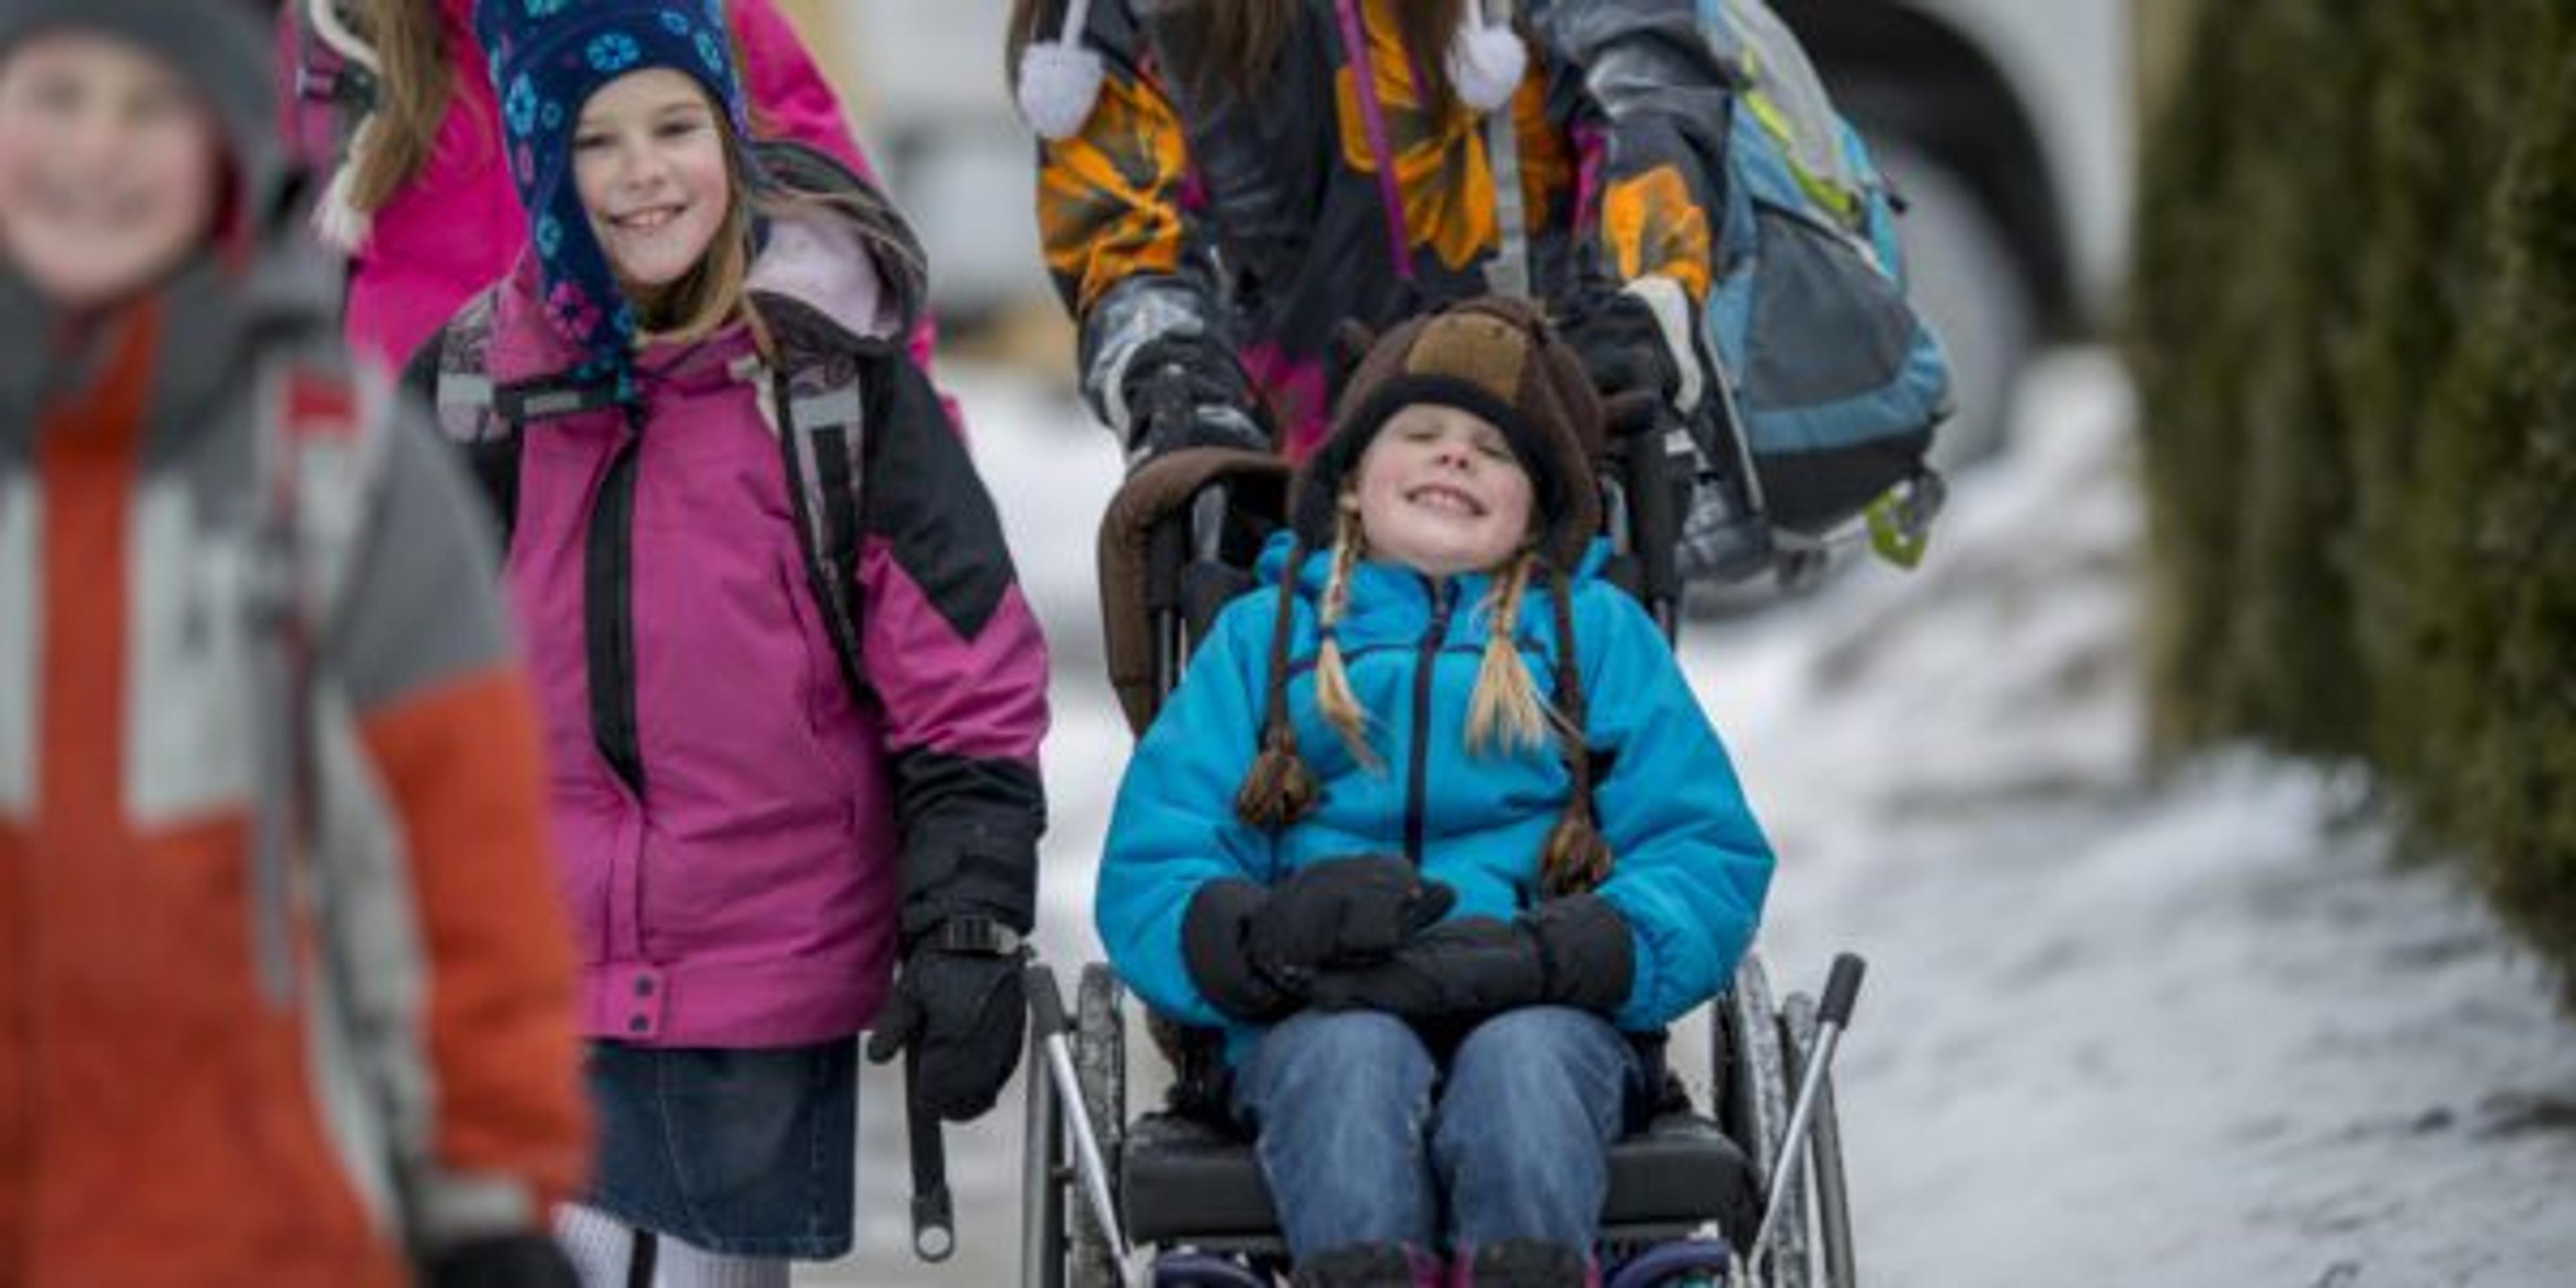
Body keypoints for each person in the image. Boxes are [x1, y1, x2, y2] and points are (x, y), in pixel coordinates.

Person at [408, 1, 1051, 1283]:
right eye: (597, 139)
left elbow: (967, 691)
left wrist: (967, 928)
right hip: (528, 976)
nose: (645, 170)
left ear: (731, 137)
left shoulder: (836, 390)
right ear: (542, 161)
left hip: (755, 984)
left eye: (675, 125)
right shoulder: (472, 392)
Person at [0, 1, 588, 1284]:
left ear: (226, 147)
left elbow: (465, 882)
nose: (94, 150)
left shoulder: (346, 475)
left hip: (268, 1230)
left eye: (148, 108)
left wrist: (486, 1201)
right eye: (55, 97)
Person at [1094, 297, 1775, 1287]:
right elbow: (1161, 851)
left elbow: (1704, 848)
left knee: (1526, 1068)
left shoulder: (1597, 635)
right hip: (1315, 1009)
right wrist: (1259, 935)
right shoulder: (1260, 637)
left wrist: (1595, 943)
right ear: (1355, 487)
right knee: (1352, 1064)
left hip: (1547, 1000)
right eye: (1420, 435)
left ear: (1537, 509)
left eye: (1493, 452)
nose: (1453, 459)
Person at [1007, 0, 1729, 466]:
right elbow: (1122, 239)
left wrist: (1639, 304)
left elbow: (1645, 90)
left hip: (1542, 444)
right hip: (1290, 500)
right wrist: (1171, 380)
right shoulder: (1101, 23)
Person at [282, 0, 922, 376]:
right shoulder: (340, 54)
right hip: (423, 564)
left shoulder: (691, 20)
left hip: (695, 566)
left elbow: (862, 298)